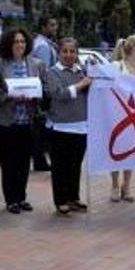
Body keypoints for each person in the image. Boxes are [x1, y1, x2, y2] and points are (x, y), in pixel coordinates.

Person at [0, 27, 46, 213]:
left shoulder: (36, 64)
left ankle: (22, 197)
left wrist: (36, 96)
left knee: (24, 161)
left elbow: (43, 89)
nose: (19, 45)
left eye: (22, 41)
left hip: (28, 119)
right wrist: (9, 96)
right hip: (7, 120)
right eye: (15, 41)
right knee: (9, 162)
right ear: (8, 44)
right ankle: (11, 200)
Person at [43, 38, 92, 216]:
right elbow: (60, 94)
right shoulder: (53, 73)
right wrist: (82, 84)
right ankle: (61, 200)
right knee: (60, 166)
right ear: (59, 53)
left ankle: (73, 197)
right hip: (60, 127)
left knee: (75, 165)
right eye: (65, 51)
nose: (69, 55)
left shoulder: (82, 71)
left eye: (72, 52)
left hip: (81, 127)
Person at [110, 35, 135, 202]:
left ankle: (127, 185)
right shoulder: (116, 66)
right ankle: (114, 185)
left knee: (131, 150)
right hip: (118, 114)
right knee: (116, 150)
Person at [29, 17, 58, 172]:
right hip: (44, 91)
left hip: (41, 90)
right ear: (43, 27)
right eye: (52, 24)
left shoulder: (42, 43)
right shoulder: (43, 47)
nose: (55, 28)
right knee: (43, 127)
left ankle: (40, 159)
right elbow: (44, 72)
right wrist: (49, 92)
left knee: (41, 127)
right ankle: (40, 160)